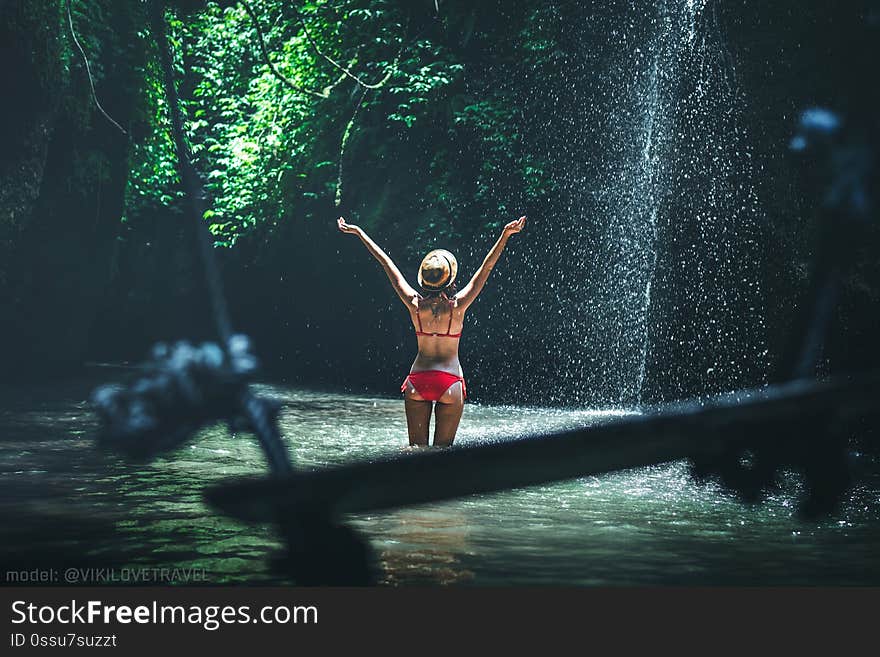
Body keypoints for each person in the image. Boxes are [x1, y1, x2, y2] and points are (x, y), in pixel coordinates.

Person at [337, 215, 526, 446]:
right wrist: (505, 235)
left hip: (418, 380)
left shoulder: (414, 304)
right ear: (451, 280)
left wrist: (358, 232)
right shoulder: (458, 306)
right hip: (450, 381)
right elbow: (486, 268)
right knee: (442, 455)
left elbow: (386, 263)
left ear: (424, 281)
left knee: (416, 452)